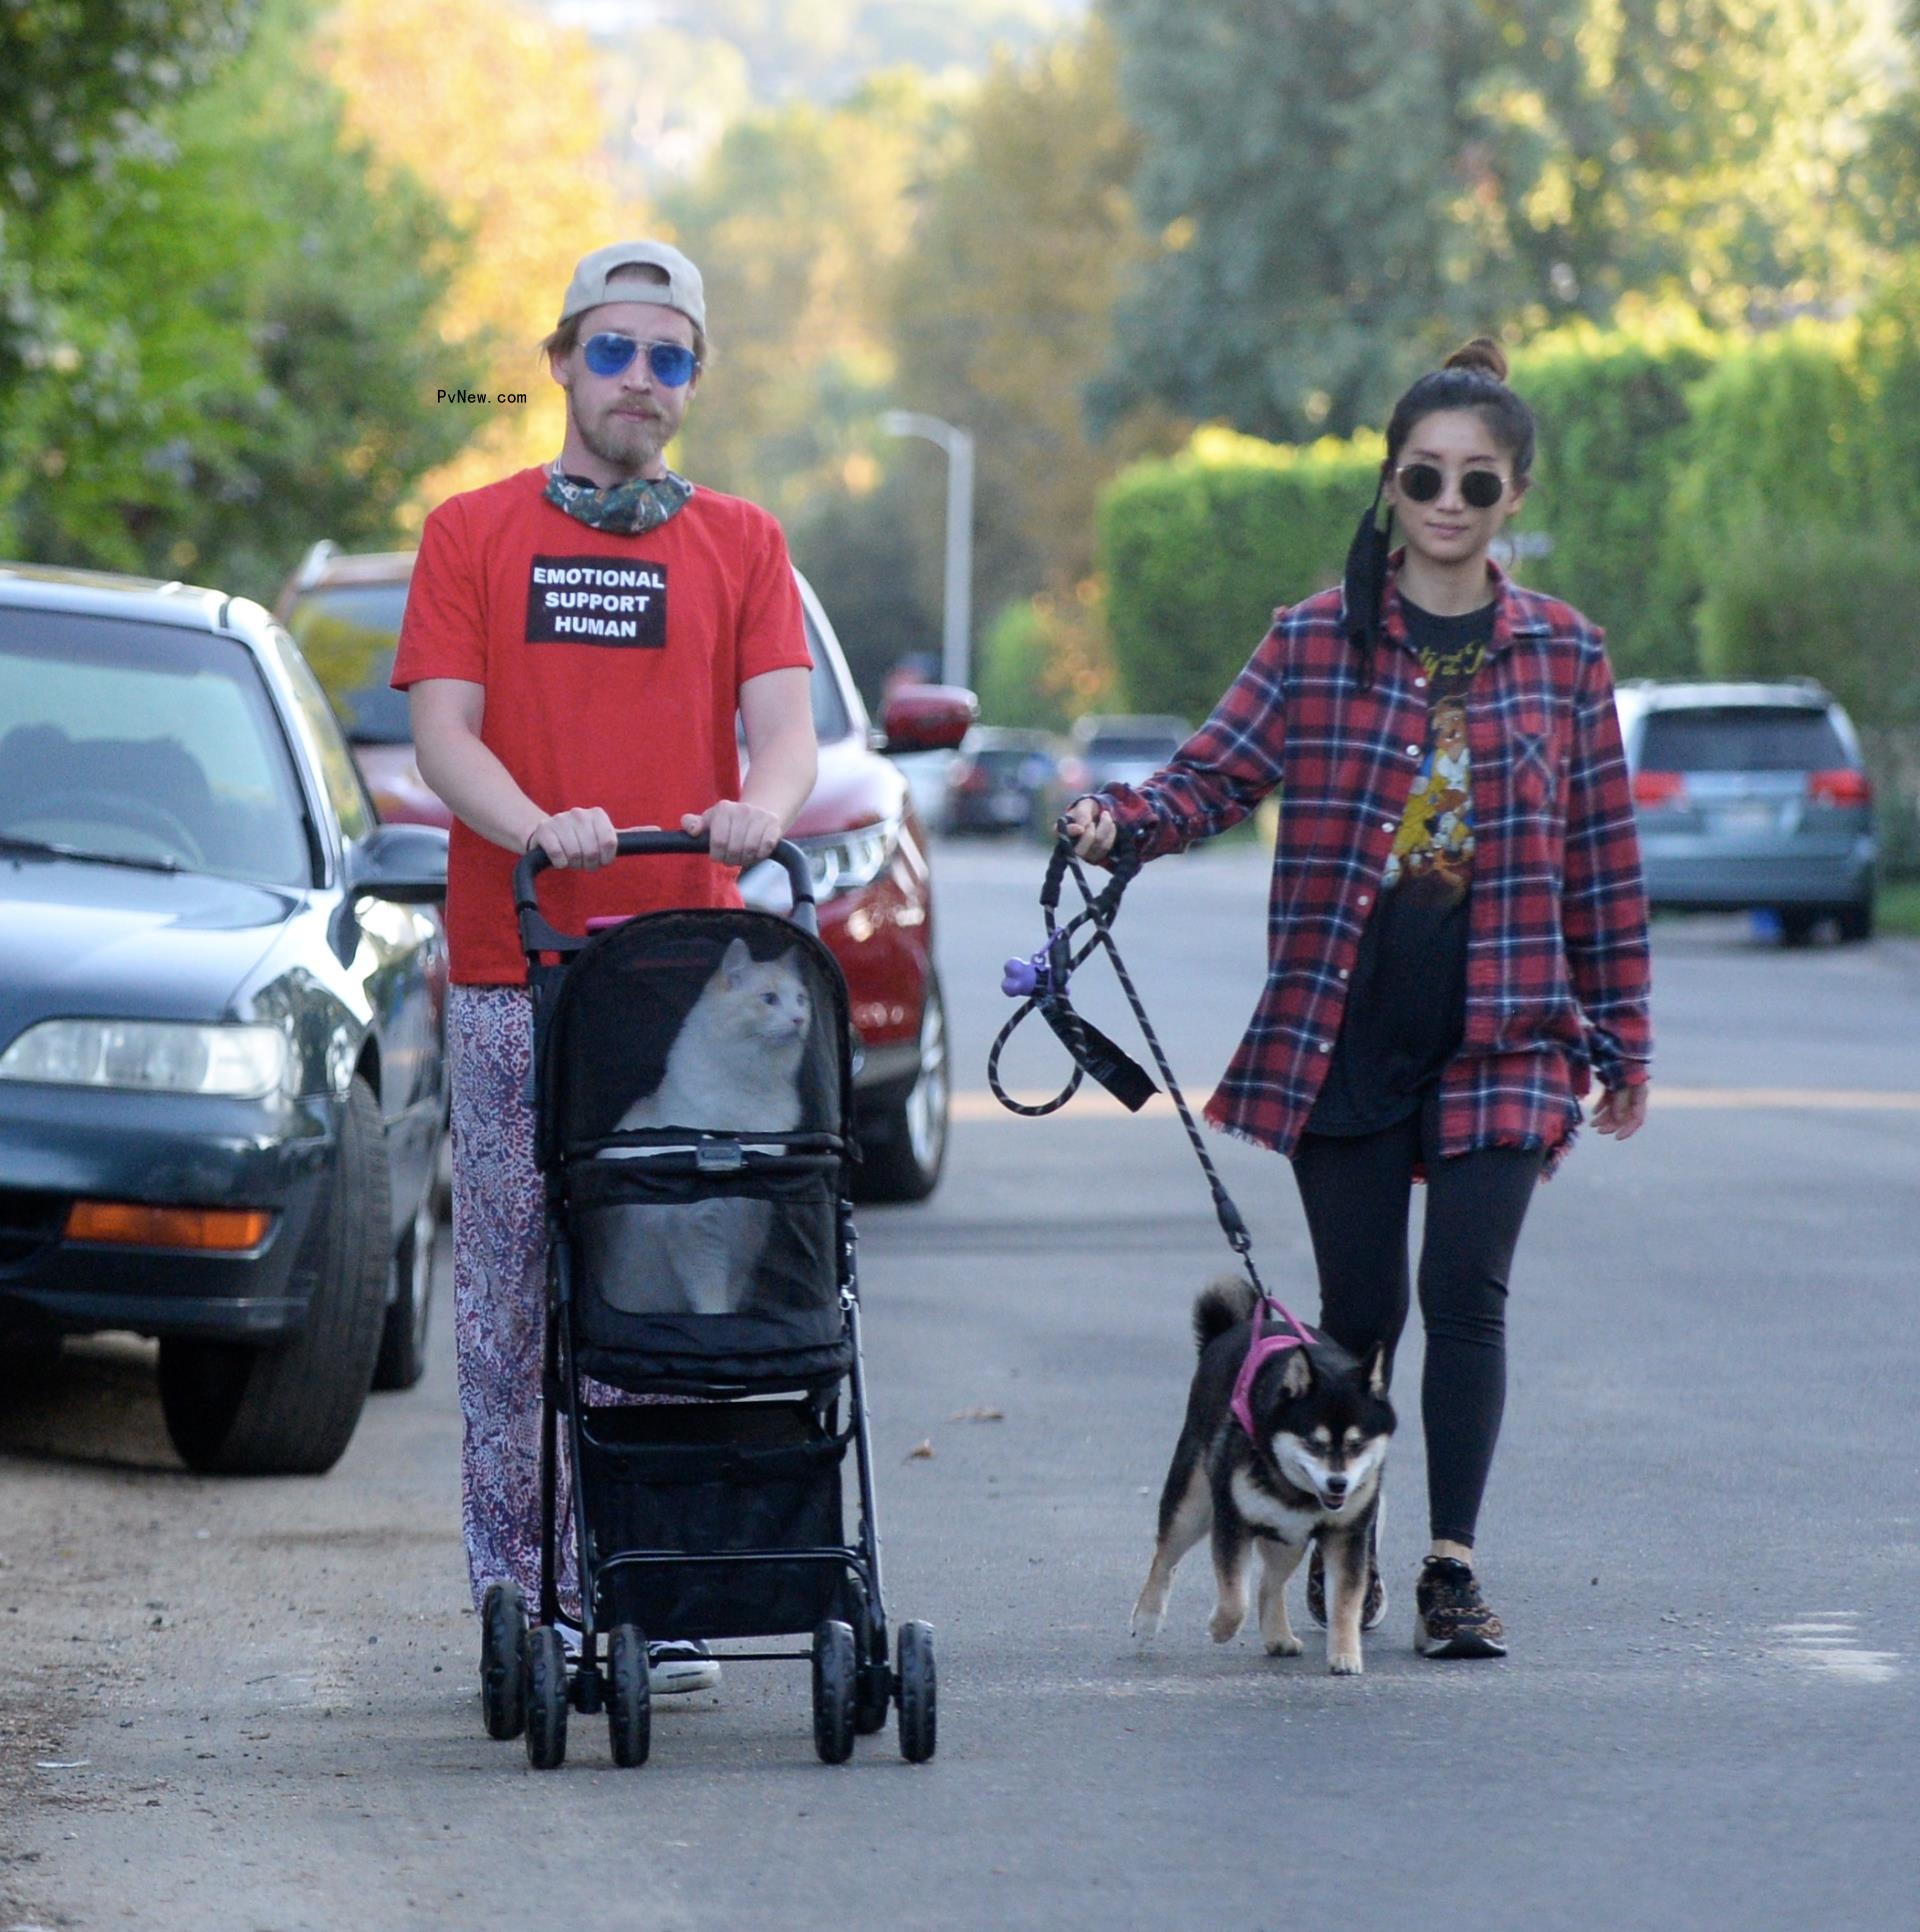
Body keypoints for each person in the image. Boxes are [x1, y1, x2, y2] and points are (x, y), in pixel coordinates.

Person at [1065, 338, 1651, 1659]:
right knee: (1361, 1316)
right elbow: (1209, 777)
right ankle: (1353, 1555)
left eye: (1478, 482)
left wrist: (1626, 1042)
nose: (1450, 501)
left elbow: (1603, 862)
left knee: (1470, 1292)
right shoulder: (1313, 639)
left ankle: (1452, 1566)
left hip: (1507, 1029)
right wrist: (1120, 825)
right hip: (1343, 1027)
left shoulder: (1564, 655)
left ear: (1512, 499)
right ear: (1391, 486)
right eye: (1426, 477)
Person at [392, 241, 819, 1696]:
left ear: (697, 380)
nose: (643, 380)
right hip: (522, 963)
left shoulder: (745, 544)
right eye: (618, 351)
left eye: (674, 356)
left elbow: (785, 728)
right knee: (515, 1290)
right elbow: (444, 733)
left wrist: (764, 804)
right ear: (564, 360)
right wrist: (537, 828)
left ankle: (652, 1581)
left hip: (677, 980)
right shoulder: (473, 535)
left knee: (667, 1281)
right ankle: (526, 1595)